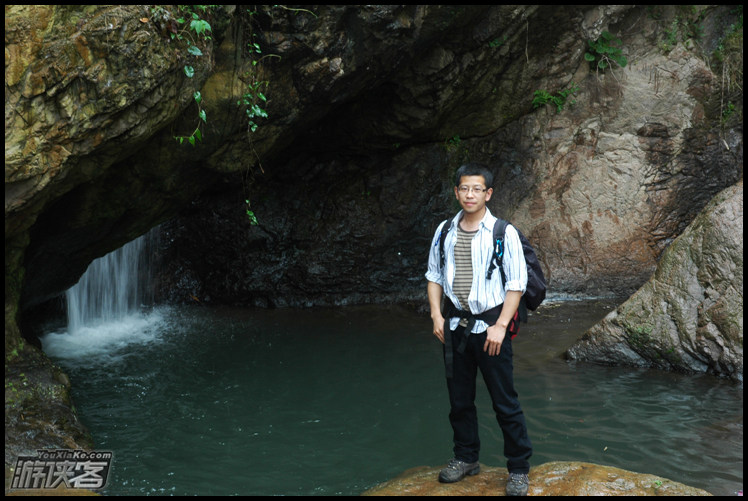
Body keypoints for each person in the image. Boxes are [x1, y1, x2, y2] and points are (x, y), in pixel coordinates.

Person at [425, 162, 532, 496]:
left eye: (476, 189)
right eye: (464, 188)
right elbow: (434, 276)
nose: (469, 195)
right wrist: (436, 315)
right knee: (459, 400)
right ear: (456, 192)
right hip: (454, 326)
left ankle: (519, 469)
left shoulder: (503, 232)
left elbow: (517, 284)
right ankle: (466, 457)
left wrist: (501, 326)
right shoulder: (445, 230)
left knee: (504, 402)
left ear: (488, 193)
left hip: (490, 329)